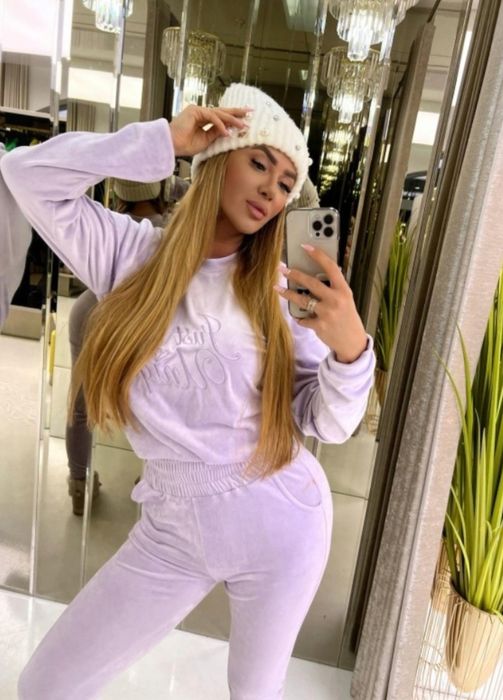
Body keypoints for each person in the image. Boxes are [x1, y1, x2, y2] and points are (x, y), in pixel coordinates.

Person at [1, 82, 375, 700]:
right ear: (217, 159)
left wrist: (350, 352)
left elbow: (328, 424)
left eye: (286, 183)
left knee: (253, 694)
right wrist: (162, 142)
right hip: (171, 527)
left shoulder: (282, 291)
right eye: (260, 163)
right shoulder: (130, 256)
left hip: (281, 524)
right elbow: (24, 173)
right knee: (46, 685)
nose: (271, 190)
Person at [66, 178, 168, 516]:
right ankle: (153, 482)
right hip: (145, 316)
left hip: (91, 310)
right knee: (159, 408)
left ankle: (78, 485)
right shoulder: (173, 231)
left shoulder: (107, 226)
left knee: (80, 407)